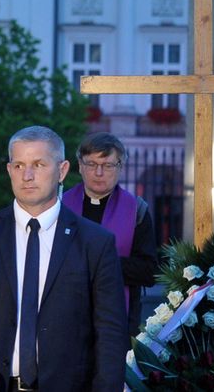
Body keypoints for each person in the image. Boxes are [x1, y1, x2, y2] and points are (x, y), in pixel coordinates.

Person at [0, 125, 126, 392]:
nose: (28, 175)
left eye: (38, 164)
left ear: (62, 171)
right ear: (9, 171)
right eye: (19, 166)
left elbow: (110, 336)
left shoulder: (96, 243)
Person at [60, 132, 158, 331]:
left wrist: (101, 263)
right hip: (65, 319)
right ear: (80, 166)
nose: (98, 172)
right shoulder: (59, 207)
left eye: (107, 165)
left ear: (120, 167)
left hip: (118, 322)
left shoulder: (136, 210)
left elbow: (148, 271)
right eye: (91, 164)